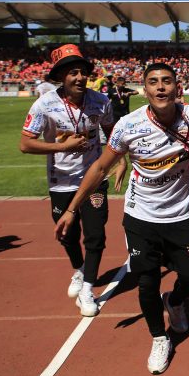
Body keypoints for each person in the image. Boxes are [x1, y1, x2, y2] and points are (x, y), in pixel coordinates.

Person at [54, 62, 189, 375]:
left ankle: (176, 300)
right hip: (141, 217)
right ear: (145, 89)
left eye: (167, 81)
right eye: (153, 82)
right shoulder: (128, 125)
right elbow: (100, 168)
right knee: (146, 282)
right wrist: (72, 209)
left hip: (182, 216)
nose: (161, 87)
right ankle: (158, 337)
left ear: (177, 87)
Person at [19, 44, 124, 317]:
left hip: (94, 178)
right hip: (60, 181)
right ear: (61, 77)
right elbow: (25, 145)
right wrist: (61, 148)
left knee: (97, 234)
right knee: (67, 235)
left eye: (82, 72)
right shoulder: (44, 105)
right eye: (72, 73)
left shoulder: (101, 101)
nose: (79, 77)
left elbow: (112, 133)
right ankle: (79, 270)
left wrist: (121, 159)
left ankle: (88, 288)